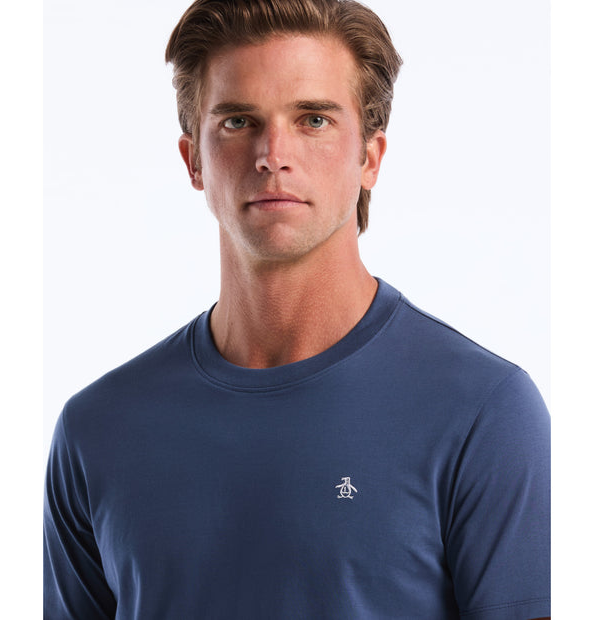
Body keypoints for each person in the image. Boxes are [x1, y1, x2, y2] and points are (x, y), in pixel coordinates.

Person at [43, 0, 550, 618]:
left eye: (313, 119)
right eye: (238, 121)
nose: (272, 154)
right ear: (193, 160)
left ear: (369, 158)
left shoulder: (484, 414)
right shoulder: (98, 430)